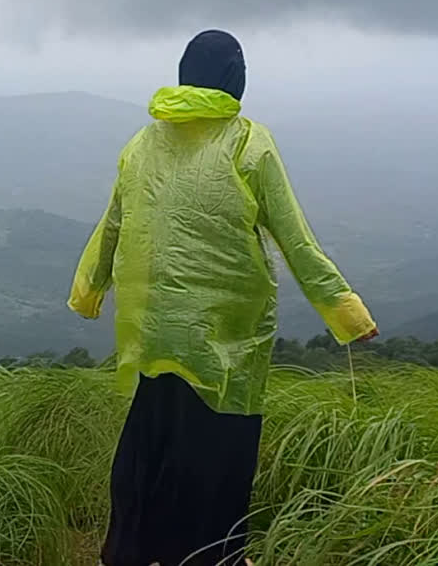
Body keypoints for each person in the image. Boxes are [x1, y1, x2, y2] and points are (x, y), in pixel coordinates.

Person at [68, 29, 378, 566]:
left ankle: (129, 553)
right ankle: (215, 557)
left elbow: (111, 227)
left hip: (153, 332)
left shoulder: (142, 144)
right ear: (237, 80)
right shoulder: (247, 142)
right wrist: (346, 313)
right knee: (217, 456)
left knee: (152, 446)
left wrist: (89, 293)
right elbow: (294, 238)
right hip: (225, 344)